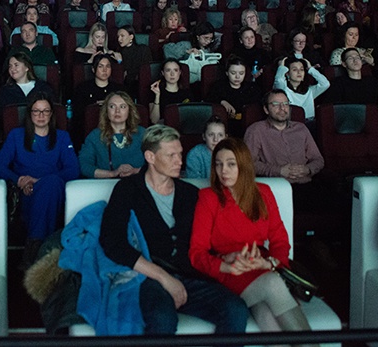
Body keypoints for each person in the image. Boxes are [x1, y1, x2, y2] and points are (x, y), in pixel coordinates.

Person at [98, 125, 249, 335]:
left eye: (180, 154)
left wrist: (224, 256)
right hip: (148, 277)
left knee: (236, 309)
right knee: (162, 318)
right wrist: (163, 277)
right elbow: (113, 242)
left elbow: (205, 240)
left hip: (191, 275)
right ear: (150, 157)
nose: (179, 161)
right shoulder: (127, 190)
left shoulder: (190, 193)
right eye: (171, 155)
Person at [189, 138, 317, 342]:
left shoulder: (263, 193)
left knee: (267, 315)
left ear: (243, 165)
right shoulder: (208, 197)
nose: (224, 171)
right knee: (273, 284)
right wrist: (225, 266)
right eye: (218, 164)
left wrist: (270, 263)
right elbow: (197, 252)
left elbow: (280, 240)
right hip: (227, 272)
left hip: (260, 266)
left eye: (231, 164)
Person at [0, 93, 79, 254]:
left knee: (52, 183)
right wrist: (19, 180)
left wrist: (39, 181)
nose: (41, 115)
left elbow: (73, 170)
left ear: (51, 114)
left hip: (55, 192)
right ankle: (42, 252)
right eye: (36, 111)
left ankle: (33, 247)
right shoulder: (16, 135)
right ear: (30, 113)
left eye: (45, 111)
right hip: (25, 193)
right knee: (47, 189)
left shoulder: (62, 137)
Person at [244, 89, 325, 187]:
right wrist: (279, 171)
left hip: (306, 184)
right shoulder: (256, 130)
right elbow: (247, 163)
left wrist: (307, 169)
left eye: (286, 104)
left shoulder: (301, 128)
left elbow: (318, 159)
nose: (282, 108)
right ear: (266, 109)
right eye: (276, 104)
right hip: (275, 186)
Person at [78, 91, 145, 178]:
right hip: (105, 183)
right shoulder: (95, 136)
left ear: (130, 110)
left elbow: (156, 162)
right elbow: (83, 165)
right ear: (106, 111)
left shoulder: (143, 134)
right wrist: (112, 174)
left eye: (122, 107)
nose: (117, 111)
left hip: (138, 182)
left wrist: (135, 171)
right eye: (112, 106)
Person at [323, 47, 378, 114]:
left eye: (357, 57)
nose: (355, 60)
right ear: (344, 64)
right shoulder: (337, 83)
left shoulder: (372, 82)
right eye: (350, 58)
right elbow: (332, 109)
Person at [205, 56, 262, 134]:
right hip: (223, 126)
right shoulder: (219, 87)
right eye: (233, 73)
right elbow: (208, 100)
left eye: (241, 73)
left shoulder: (252, 88)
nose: (237, 77)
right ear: (227, 73)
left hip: (246, 126)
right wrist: (222, 102)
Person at [149, 59, 192, 124]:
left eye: (175, 70)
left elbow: (190, 118)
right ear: (163, 73)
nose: (172, 74)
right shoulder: (155, 91)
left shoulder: (187, 93)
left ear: (180, 72)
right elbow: (154, 121)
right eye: (168, 70)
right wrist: (157, 96)